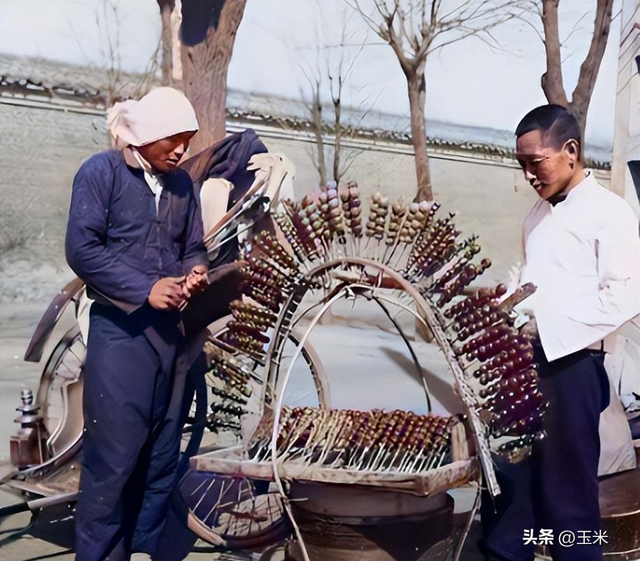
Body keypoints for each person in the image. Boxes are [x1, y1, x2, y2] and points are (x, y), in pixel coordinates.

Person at [481, 104, 640, 561]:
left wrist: (545, 326)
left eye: (537, 162)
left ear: (570, 152)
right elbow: (534, 284)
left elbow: (624, 297)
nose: (530, 174)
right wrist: (508, 303)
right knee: (514, 490)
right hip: (526, 365)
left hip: (574, 368)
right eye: (522, 165)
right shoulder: (535, 216)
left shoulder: (611, 213)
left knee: (568, 498)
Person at [65, 87, 209, 561]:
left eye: (187, 141)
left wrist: (196, 271)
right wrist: (144, 289)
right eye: (175, 141)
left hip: (171, 340)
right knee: (114, 461)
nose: (182, 151)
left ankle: (145, 549)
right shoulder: (100, 174)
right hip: (119, 335)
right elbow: (82, 250)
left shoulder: (182, 187)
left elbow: (193, 246)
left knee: (161, 455)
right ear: (146, 135)